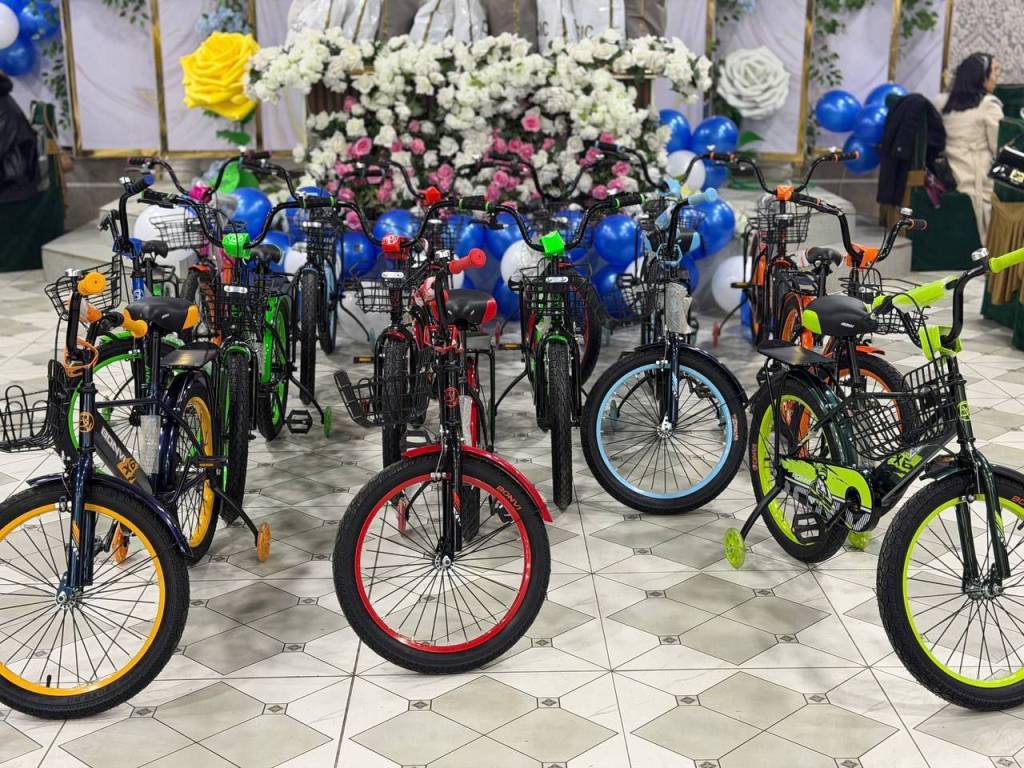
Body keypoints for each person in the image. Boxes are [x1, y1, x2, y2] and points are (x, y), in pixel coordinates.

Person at [935, 53, 1003, 242]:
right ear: (982, 76)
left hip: (949, 172)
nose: (997, 75)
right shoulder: (989, 105)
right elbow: (998, 146)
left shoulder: (941, 102)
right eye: (994, 70)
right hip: (976, 176)